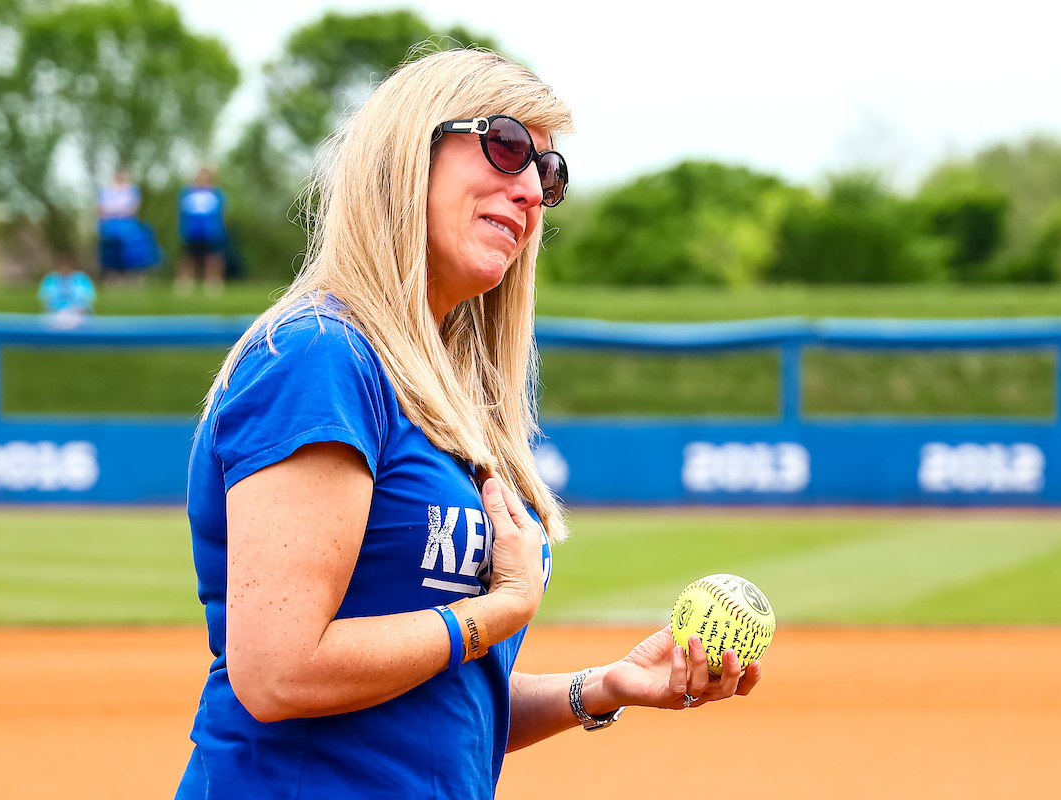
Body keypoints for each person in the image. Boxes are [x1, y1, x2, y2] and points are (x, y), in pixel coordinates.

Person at [175, 49, 761, 800]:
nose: (530, 191)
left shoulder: (446, 391)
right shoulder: (321, 357)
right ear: (408, 151)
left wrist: (604, 687)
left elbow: (439, 709)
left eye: (548, 176)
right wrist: (497, 611)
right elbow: (280, 672)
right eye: (507, 145)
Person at [97, 169, 159, 280]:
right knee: (111, 251)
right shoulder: (106, 191)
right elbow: (100, 209)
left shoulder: (131, 190)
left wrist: (113, 211)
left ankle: (130, 274)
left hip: (126, 225)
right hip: (110, 226)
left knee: (131, 248)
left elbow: (133, 208)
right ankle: (113, 275)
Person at [176, 167, 228, 296]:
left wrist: (220, 230)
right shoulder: (187, 193)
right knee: (189, 258)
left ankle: (213, 282)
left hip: (210, 232)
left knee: (212, 258)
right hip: (192, 231)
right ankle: (186, 282)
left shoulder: (216, 194)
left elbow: (221, 214)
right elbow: (181, 213)